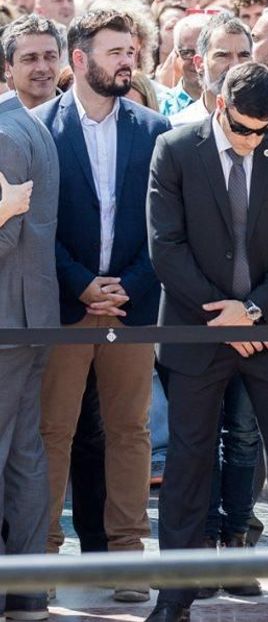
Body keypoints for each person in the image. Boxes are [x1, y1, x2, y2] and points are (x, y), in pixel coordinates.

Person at [145, 62, 268, 622]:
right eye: (244, 128)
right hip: (197, 332)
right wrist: (224, 318)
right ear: (219, 104)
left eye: (263, 129)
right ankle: (174, 597)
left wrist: (251, 312)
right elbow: (165, 247)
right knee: (186, 465)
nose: (254, 140)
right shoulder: (174, 149)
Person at [36, 9, 170, 602]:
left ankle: (127, 557)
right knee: (51, 432)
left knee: (130, 431)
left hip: (133, 306)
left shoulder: (156, 129)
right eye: (115, 51)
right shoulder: (38, 128)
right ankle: (38, 561)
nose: (127, 61)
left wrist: (130, 286)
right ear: (80, 60)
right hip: (66, 305)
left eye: (132, 51)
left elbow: (166, 225)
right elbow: (38, 228)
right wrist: (83, 283)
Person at [0, 89, 59, 622]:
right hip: (28, 317)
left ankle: (19, 591)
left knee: (17, 455)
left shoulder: (3, 135)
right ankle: (24, 593)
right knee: (23, 455)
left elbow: (5, 237)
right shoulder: (28, 124)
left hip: (7, 323)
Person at [169, 13, 254, 127]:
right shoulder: (176, 129)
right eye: (223, 56)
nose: (234, 66)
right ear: (199, 64)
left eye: (243, 55)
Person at [2, 14, 63, 109]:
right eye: (30, 59)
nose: (42, 68)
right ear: (7, 67)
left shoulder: (85, 117)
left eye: (50, 57)